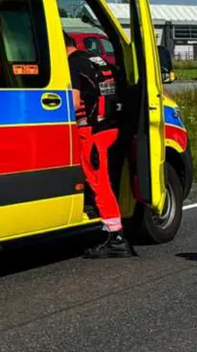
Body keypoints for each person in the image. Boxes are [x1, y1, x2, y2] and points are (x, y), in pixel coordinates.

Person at [66, 33, 135, 258]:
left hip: (91, 131)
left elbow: (74, 101)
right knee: (108, 180)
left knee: (98, 182)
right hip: (113, 127)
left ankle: (115, 236)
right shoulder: (97, 59)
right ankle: (112, 229)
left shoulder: (72, 64)